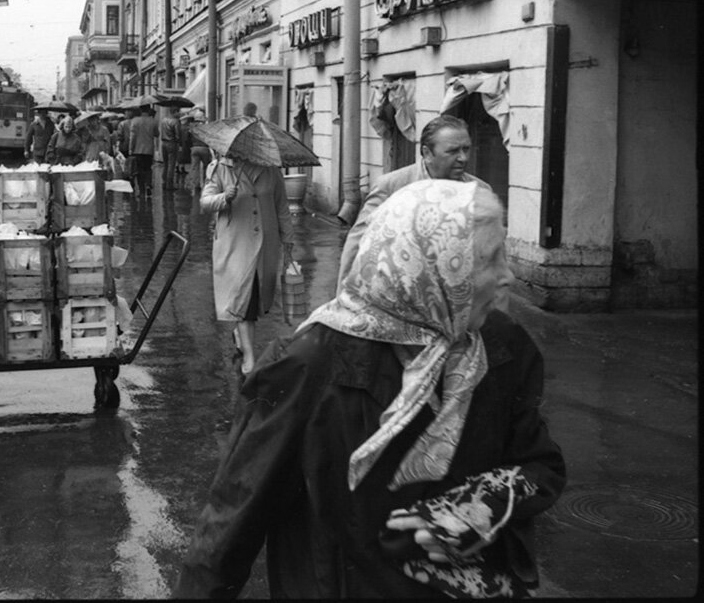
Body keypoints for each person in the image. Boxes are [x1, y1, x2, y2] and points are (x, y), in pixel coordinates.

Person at [175, 180, 566, 598]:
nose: (508, 277)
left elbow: (540, 464)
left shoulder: (501, 346)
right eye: (488, 260)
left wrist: (485, 506)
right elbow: (232, 522)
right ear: (431, 270)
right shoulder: (309, 367)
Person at [338, 114, 490, 284]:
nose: (463, 158)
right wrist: (343, 298)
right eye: (453, 151)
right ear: (427, 153)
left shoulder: (480, 191)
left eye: (466, 149)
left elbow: (490, 253)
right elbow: (358, 244)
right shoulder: (391, 186)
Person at [200, 154, 294, 378]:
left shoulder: (271, 170)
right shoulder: (221, 168)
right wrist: (225, 197)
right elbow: (205, 202)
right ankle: (250, 358)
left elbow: (281, 206)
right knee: (246, 298)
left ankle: (240, 337)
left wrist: (288, 239)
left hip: (265, 244)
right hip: (236, 243)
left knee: (255, 298)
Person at [129, 104, 158, 196]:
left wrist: (131, 148)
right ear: (149, 110)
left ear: (140, 110)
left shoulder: (135, 121)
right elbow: (157, 134)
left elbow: (132, 137)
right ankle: (148, 185)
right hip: (149, 149)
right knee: (148, 169)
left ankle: (141, 189)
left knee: (139, 170)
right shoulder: (153, 121)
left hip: (137, 149)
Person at [159, 107, 182, 189]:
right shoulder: (176, 121)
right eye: (178, 112)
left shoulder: (163, 120)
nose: (179, 114)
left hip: (163, 143)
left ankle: (164, 181)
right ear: (175, 111)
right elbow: (178, 135)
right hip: (172, 143)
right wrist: (179, 143)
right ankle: (170, 184)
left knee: (165, 163)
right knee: (171, 164)